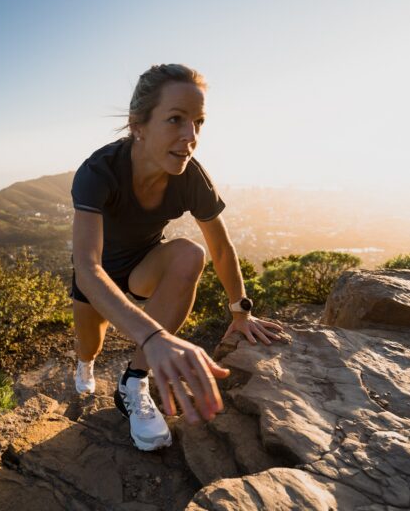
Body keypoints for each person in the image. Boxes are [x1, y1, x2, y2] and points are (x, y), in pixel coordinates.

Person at [70, 64, 284, 451]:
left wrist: (241, 311)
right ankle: (85, 363)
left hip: (143, 268)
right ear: (138, 125)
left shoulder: (190, 177)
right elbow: (87, 268)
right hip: (98, 274)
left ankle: (134, 381)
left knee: (190, 253)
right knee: (90, 347)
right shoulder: (98, 172)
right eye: (175, 120)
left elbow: (221, 247)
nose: (191, 136)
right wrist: (152, 335)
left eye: (198, 122)